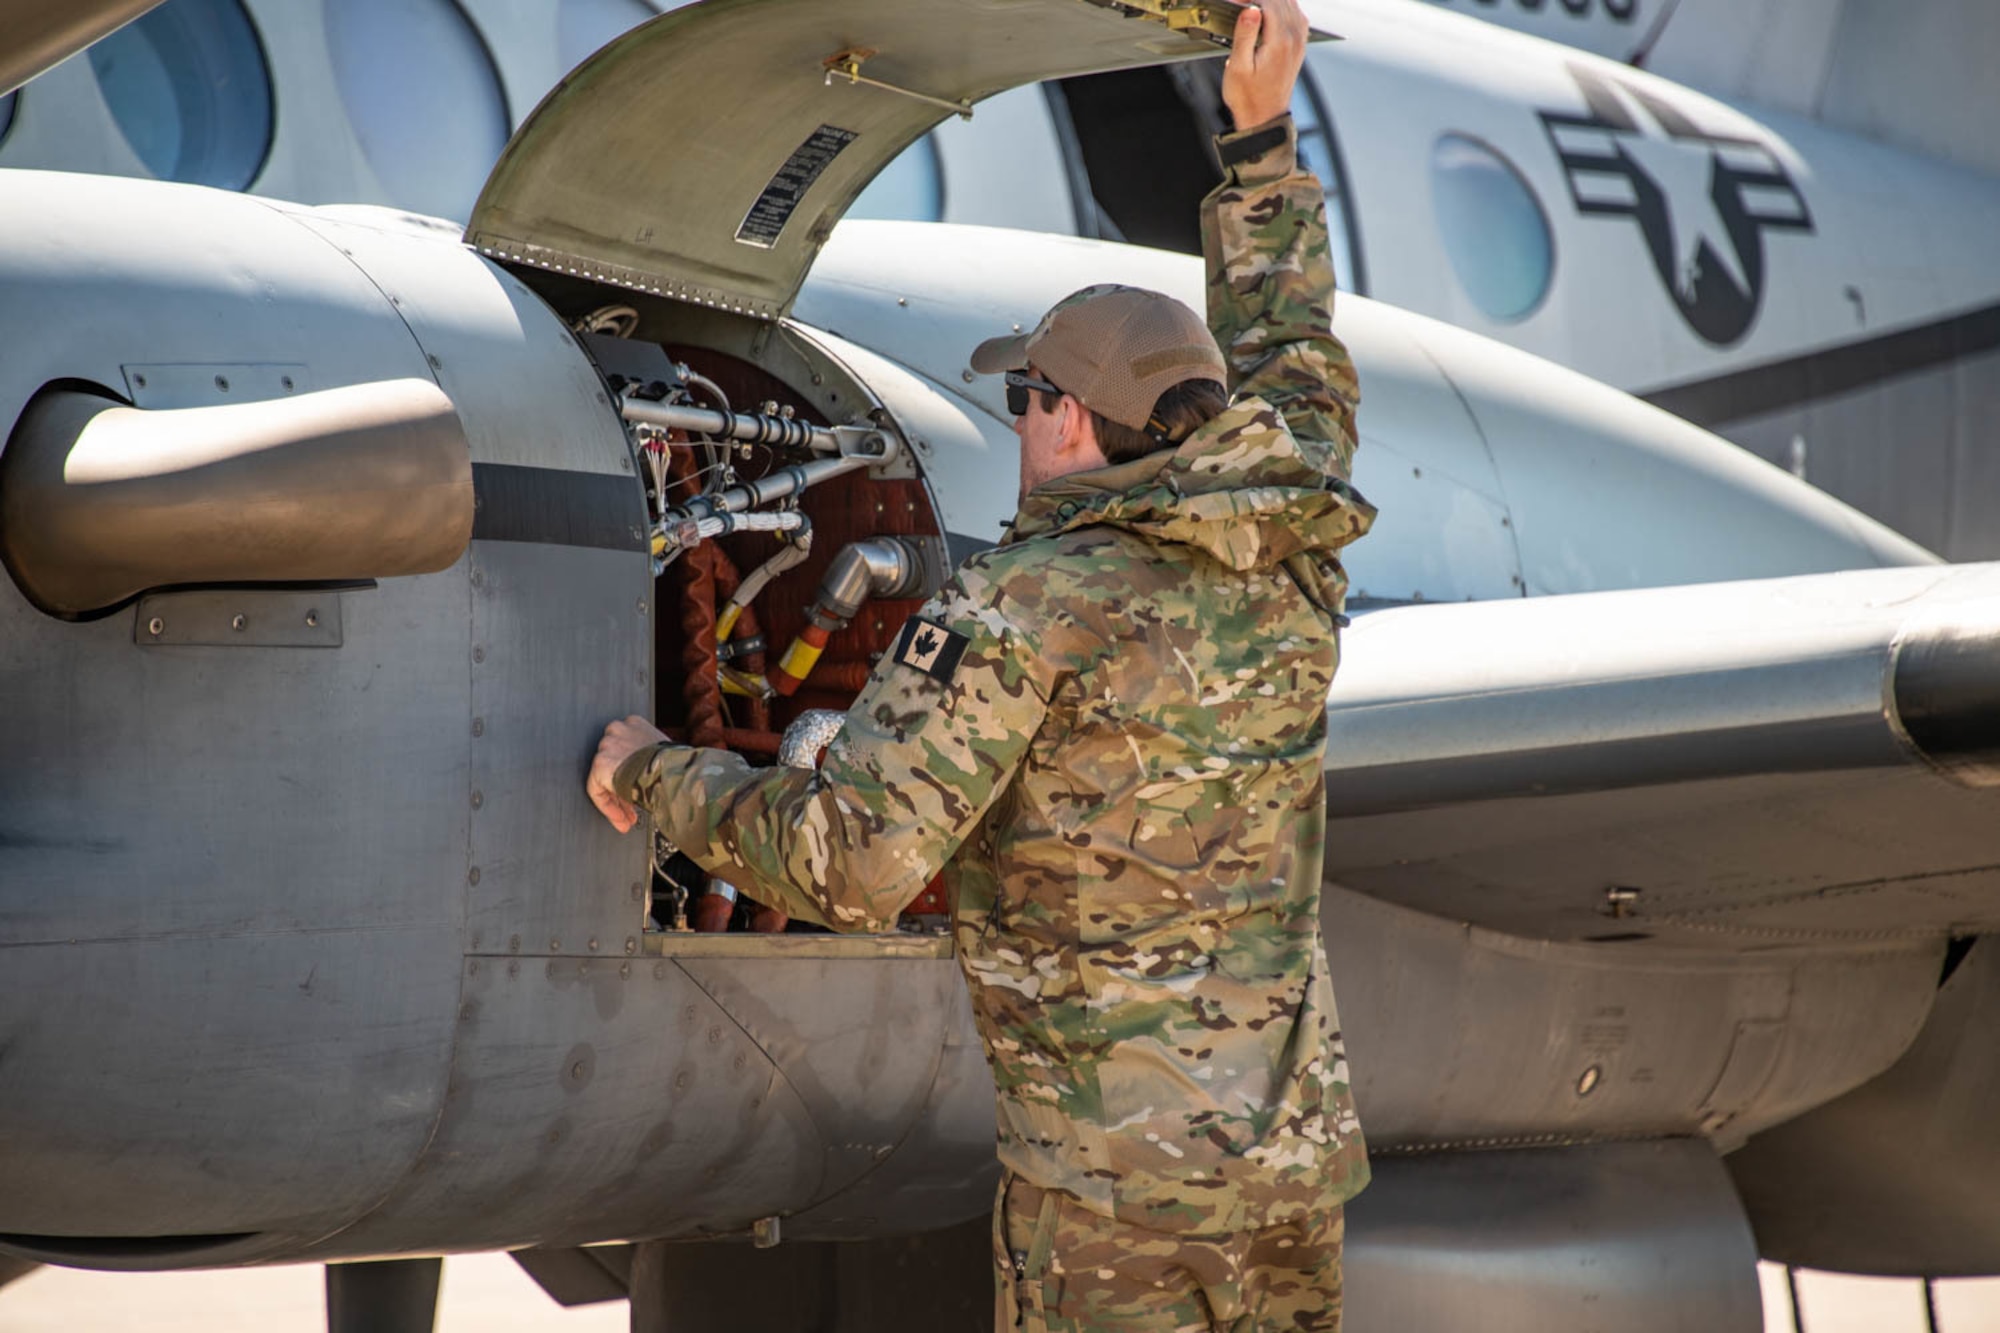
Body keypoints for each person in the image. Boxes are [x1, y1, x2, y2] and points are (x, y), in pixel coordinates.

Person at [587, 1, 1374, 1326]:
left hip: (1112, 1195)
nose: (1015, 424)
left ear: (1068, 417)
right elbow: (1297, 361)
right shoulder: (1294, 538)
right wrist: (1263, 142)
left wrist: (655, 776)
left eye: (1024, 398)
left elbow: (856, 861)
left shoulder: (1025, 607)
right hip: (1286, 1171)